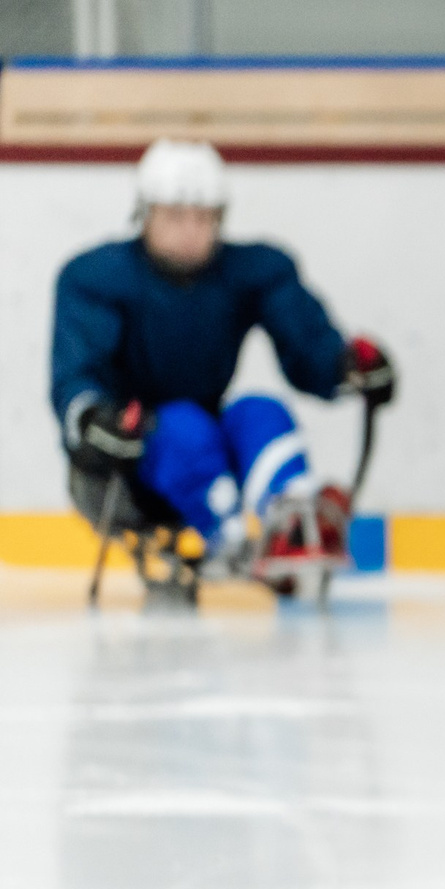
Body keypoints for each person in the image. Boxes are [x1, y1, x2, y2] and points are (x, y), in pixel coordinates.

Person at [51, 138, 396, 592]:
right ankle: (229, 539)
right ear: (146, 214)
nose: (191, 231)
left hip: (208, 443)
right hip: (125, 466)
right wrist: (93, 418)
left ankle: (292, 523)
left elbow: (308, 346)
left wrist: (345, 366)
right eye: (175, 216)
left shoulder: (252, 270)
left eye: (205, 217)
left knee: (259, 412)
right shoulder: (96, 277)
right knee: (182, 425)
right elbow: (77, 374)